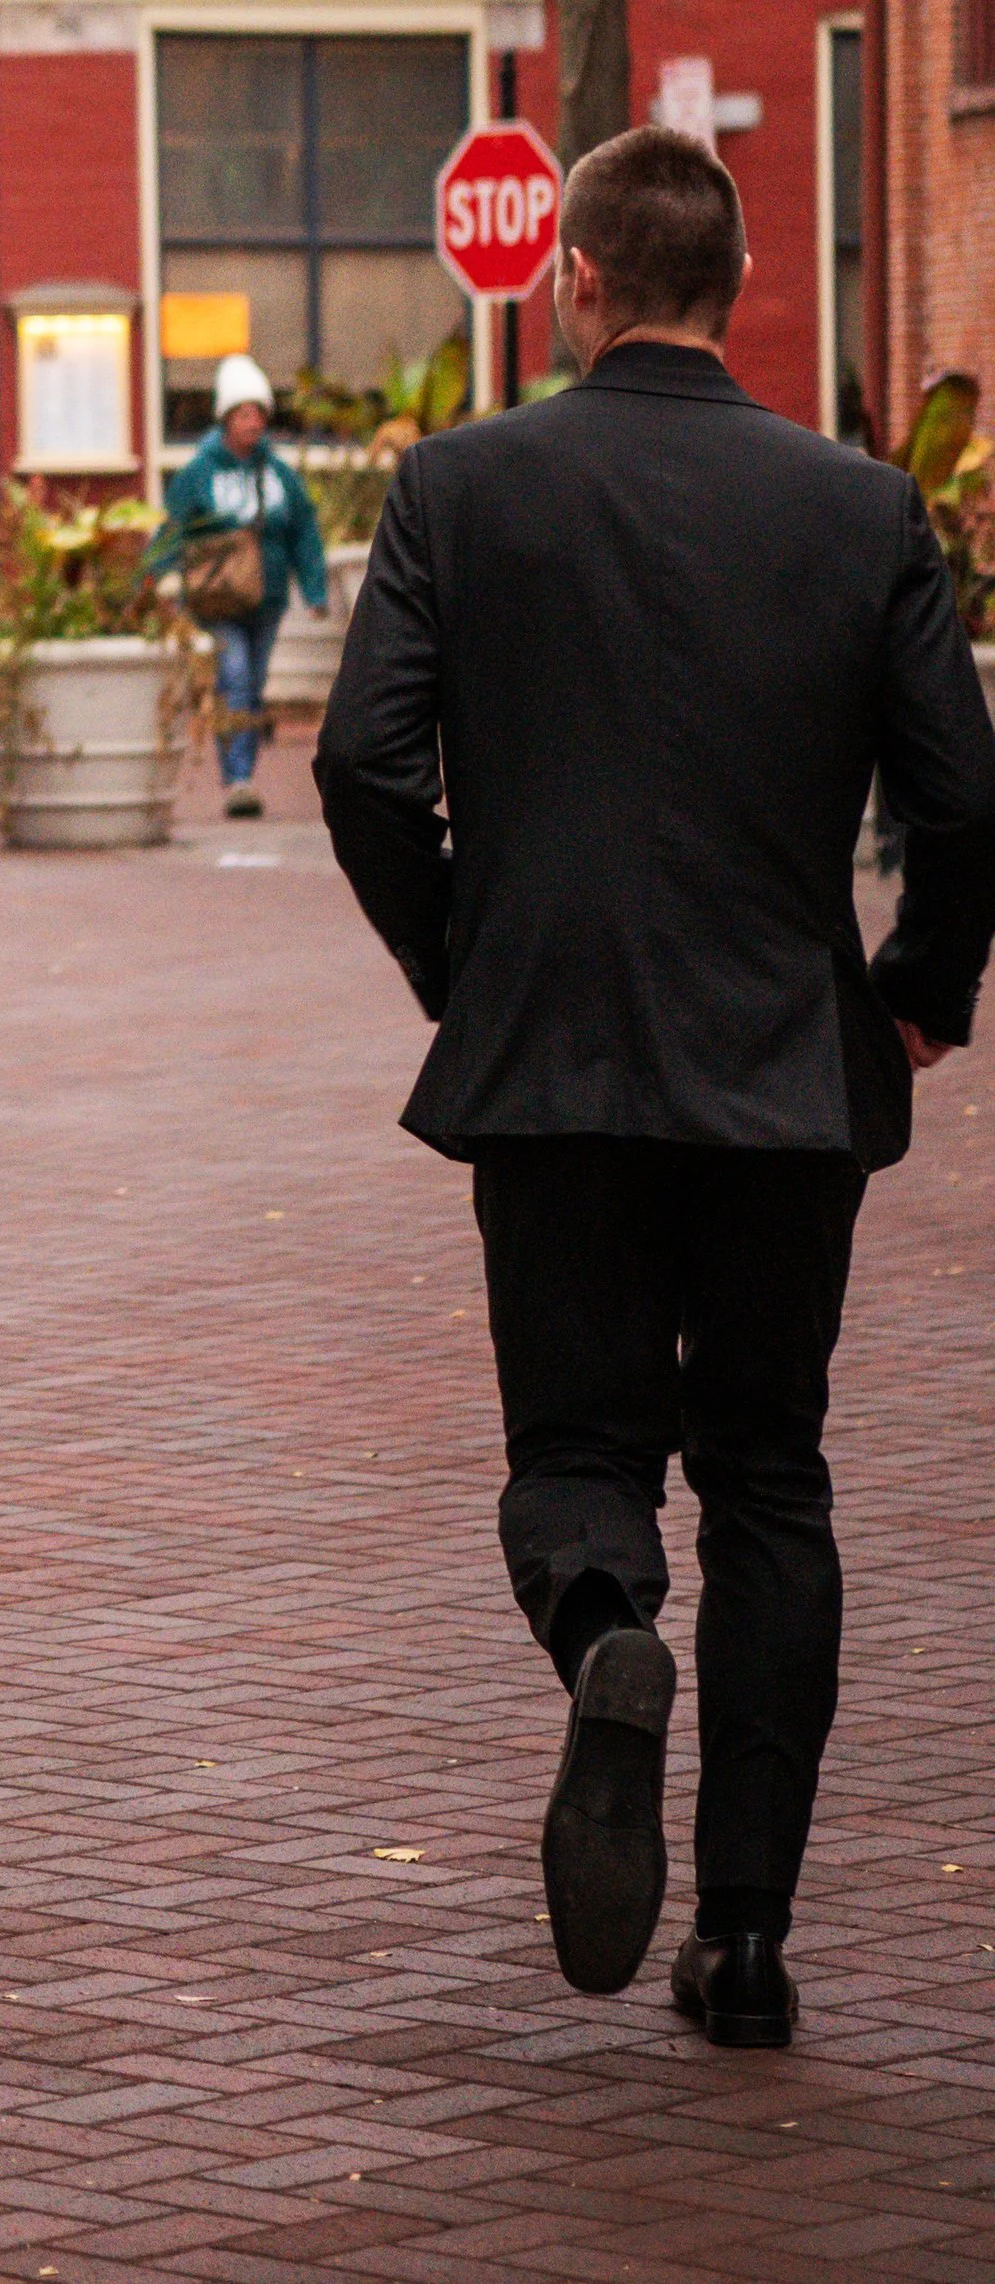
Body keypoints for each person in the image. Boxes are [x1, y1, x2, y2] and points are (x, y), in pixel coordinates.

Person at [316, 129, 995, 2047]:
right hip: (789, 1071)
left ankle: (611, 1634)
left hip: (557, 1066)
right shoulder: (861, 511)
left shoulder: (463, 486)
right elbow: (967, 791)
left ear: (575, 280)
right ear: (739, 286)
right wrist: (917, 994)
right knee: (773, 1476)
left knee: (578, 1454)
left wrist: (475, 959)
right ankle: (752, 1940)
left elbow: (368, 766)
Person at [164, 353, 328, 820]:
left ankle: (245, 773)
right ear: (225, 418)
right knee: (233, 678)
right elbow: (171, 530)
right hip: (216, 601)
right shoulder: (199, 472)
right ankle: (237, 780)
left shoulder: (279, 475)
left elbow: (304, 532)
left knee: (253, 688)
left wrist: (314, 590)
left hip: (268, 599)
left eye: (259, 412)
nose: (253, 421)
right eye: (243, 413)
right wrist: (151, 582)